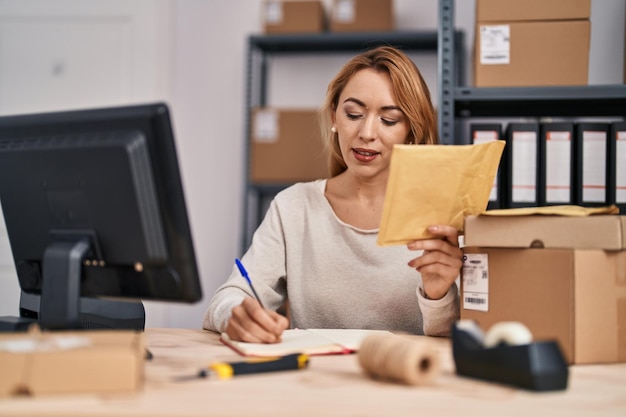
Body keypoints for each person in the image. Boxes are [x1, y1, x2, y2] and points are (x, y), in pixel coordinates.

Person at [203, 45, 462, 343]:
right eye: (353, 113)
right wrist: (235, 313)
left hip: (407, 382)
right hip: (315, 383)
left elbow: (466, 340)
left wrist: (439, 296)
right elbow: (227, 299)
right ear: (334, 118)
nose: (366, 132)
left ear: (411, 132)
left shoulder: (443, 218)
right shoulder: (294, 207)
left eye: (388, 120)